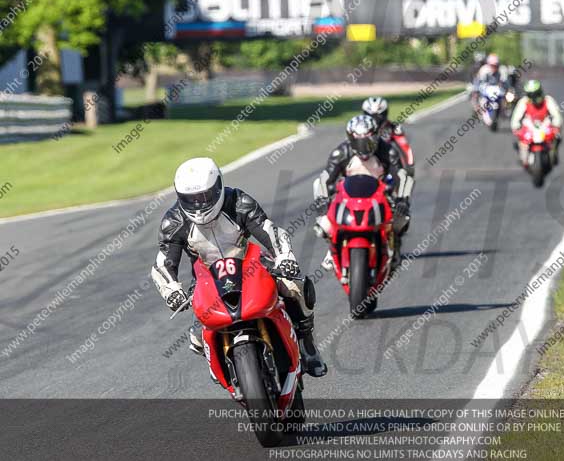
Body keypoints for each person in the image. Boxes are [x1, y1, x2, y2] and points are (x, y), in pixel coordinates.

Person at [151, 157, 328, 377]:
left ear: (218, 187)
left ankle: (307, 343)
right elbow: (163, 263)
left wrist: (285, 257)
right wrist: (172, 291)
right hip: (206, 275)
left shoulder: (238, 202)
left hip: (250, 261)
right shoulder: (173, 222)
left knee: (295, 286)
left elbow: (268, 230)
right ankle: (218, 364)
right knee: (197, 337)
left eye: (205, 196)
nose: (199, 205)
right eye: (191, 199)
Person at [315, 115, 411, 269]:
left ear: (375, 136)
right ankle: (332, 249)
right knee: (324, 222)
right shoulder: (340, 153)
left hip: (381, 195)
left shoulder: (388, 152)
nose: (363, 147)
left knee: (402, 218)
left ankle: (395, 245)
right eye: (359, 142)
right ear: (350, 139)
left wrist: (402, 200)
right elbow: (324, 179)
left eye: (368, 141)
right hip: (348, 196)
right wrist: (322, 201)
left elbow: (402, 176)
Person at [510, 79, 564, 166]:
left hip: (545, 124)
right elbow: (516, 116)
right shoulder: (524, 102)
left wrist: (556, 126)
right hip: (529, 125)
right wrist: (516, 127)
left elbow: (556, 115)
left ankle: (553, 154)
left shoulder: (548, 100)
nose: (535, 96)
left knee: (557, 137)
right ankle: (524, 159)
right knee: (522, 141)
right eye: (532, 94)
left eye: (536, 93)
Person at [360, 96, 415, 177]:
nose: (375, 120)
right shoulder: (359, 128)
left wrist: (410, 165)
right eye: (371, 116)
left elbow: (405, 147)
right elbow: (349, 145)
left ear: (385, 113)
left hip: (385, 164)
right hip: (363, 162)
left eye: (379, 116)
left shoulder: (393, 128)